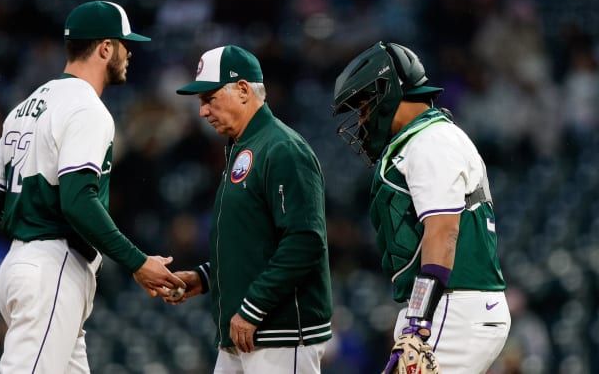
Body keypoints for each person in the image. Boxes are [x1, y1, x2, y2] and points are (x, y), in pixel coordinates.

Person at [0, 1, 185, 373]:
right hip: (52, 268)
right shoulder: (86, 108)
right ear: (105, 48)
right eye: (124, 43)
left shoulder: (25, 107)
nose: (129, 51)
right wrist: (138, 263)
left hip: (21, 266)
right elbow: (77, 201)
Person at [331, 41, 511, 373]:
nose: (362, 119)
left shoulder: (431, 141)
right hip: (454, 306)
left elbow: (443, 232)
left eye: (365, 106)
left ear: (386, 93)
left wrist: (418, 322)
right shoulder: (425, 139)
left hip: (454, 307)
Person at [168, 45, 333, 373]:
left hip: (281, 334)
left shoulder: (282, 147)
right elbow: (251, 243)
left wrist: (253, 307)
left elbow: (304, 240)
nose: (202, 111)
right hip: (244, 334)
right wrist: (204, 277)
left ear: (243, 90)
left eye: (209, 98)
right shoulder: (244, 148)